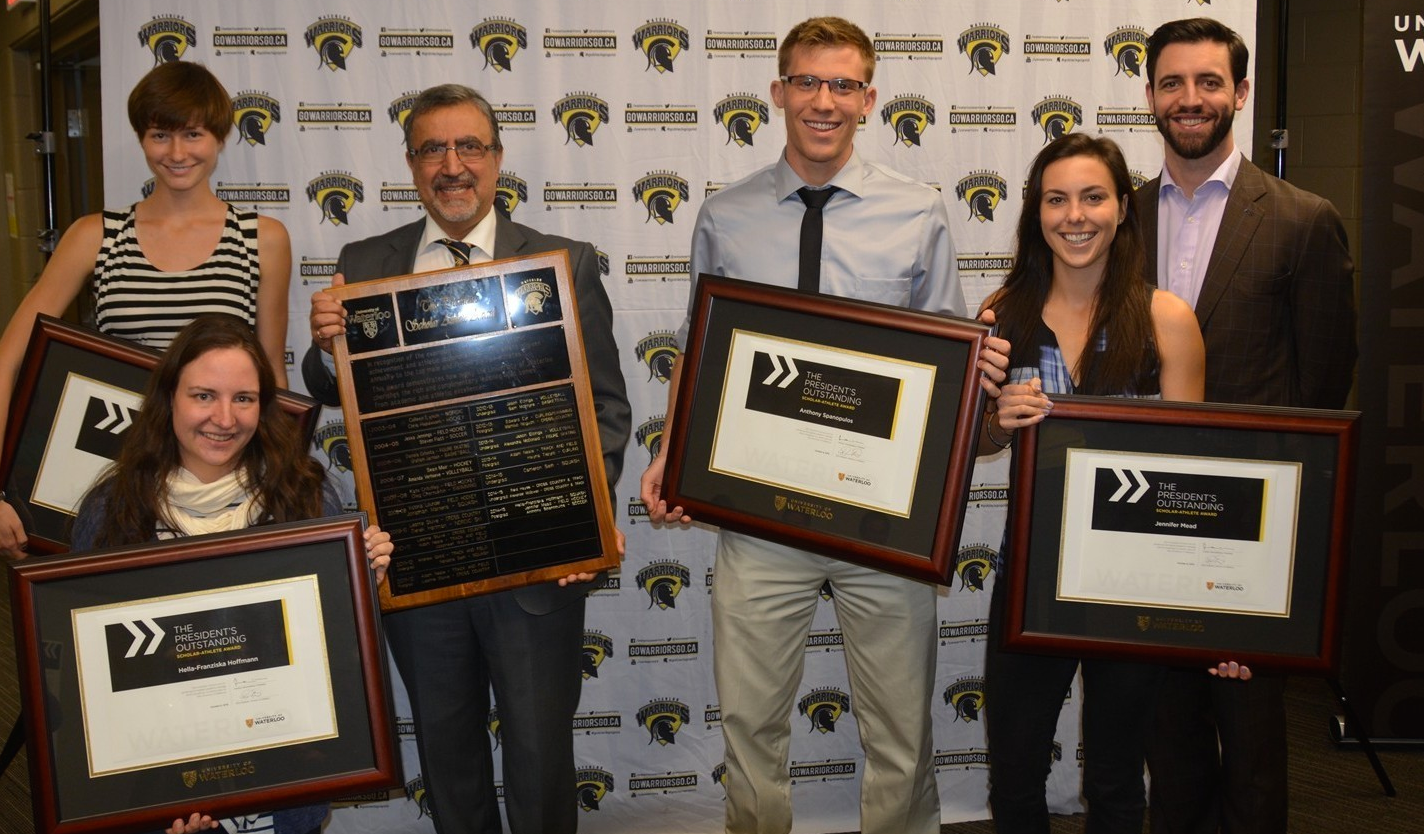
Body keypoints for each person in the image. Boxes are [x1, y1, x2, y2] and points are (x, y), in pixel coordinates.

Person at [640, 17, 1007, 834]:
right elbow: (701, 358)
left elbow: (943, 375)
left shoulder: (919, 214)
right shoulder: (724, 215)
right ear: (777, 93)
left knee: (902, 732)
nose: (823, 101)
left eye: (843, 85)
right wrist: (673, 453)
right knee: (749, 724)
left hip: (883, 517)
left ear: (869, 100)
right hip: (758, 510)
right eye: (806, 81)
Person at [301, 84, 630, 834]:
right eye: (433, 149)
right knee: (448, 759)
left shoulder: (563, 263)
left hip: (535, 561)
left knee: (541, 759)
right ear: (412, 164)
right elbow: (328, 392)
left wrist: (581, 518)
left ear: (497, 159)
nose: (453, 165)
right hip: (419, 561)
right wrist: (324, 347)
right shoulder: (365, 260)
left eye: (469, 147)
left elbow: (606, 408)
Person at [1138, 18, 1357, 834]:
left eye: (1207, 82)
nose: (1189, 99)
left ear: (1241, 91)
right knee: (1170, 736)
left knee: (1253, 742)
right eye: (1171, 83)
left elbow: (1325, 390)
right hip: (1144, 517)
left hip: (1252, 530)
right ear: (1150, 95)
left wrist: (1288, 550)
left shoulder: (1303, 219)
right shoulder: (1119, 220)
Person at [71, 313, 393, 834]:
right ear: (168, 398)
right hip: (164, 790)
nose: (224, 418)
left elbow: (338, 656)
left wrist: (362, 583)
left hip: (284, 790)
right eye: (203, 396)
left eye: (243, 398)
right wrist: (150, 803)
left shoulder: (306, 497)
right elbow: (91, 688)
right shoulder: (113, 510)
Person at [982, 133, 1206, 834]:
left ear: (1121, 210)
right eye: (1056, 199)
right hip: (1033, 571)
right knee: (1015, 771)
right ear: (1035, 212)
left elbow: (1196, 475)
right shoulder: (999, 315)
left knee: (1115, 774)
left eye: (1092, 197)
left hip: (1132, 580)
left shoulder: (1166, 320)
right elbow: (976, 444)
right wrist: (999, 421)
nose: (1074, 215)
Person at [0, 60, 292, 559]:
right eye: (161, 135)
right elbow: (9, 359)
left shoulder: (261, 240)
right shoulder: (96, 236)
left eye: (193, 134)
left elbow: (269, 376)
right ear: (141, 138)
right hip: (117, 479)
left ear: (219, 137)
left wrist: (284, 487)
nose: (177, 153)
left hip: (221, 488)